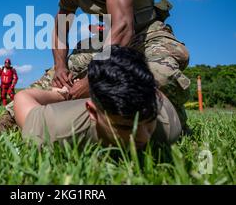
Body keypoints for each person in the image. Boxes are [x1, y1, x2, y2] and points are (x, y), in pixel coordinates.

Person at [0, 0, 191, 134]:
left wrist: (94, 77)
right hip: (109, 39)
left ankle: (173, 118)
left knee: (161, 76)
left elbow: (123, 27)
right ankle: (14, 115)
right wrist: (60, 67)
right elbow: (59, 29)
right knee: (64, 75)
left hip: (147, 35)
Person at [14, 46, 182, 149]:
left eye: (149, 121)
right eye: (125, 127)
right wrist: (63, 95)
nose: (144, 137)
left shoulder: (168, 128)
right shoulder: (57, 129)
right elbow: (23, 97)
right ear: (92, 112)